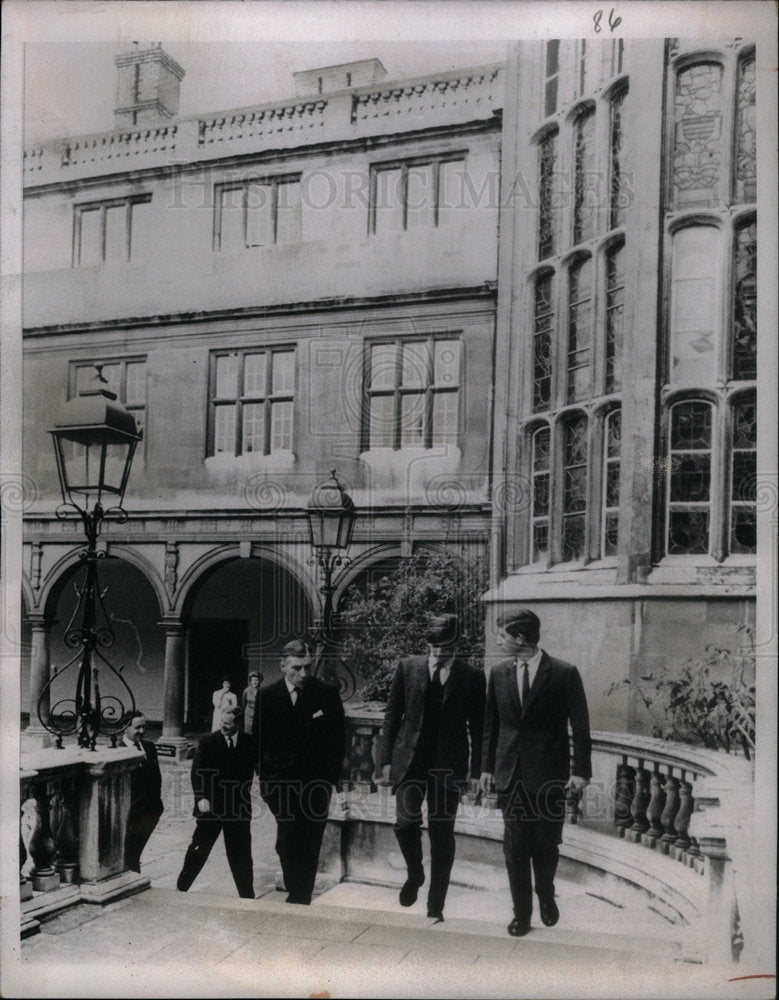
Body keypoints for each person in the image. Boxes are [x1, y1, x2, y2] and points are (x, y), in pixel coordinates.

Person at [480, 608, 591, 938]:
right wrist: (485, 768)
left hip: (549, 776)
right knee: (514, 849)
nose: (498, 641)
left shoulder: (563, 673)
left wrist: (580, 771)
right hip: (510, 776)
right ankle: (521, 915)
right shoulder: (498, 673)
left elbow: (581, 726)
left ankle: (545, 892)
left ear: (520, 639)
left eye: (502, 636)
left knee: (546, 845)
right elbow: (491, 726)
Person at [379, 614, 485, 922]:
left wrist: (476, 772)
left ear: (457, 644)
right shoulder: (407, 667)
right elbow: (391, 716)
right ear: (428, 643)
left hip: (448, 767)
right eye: (434, 645)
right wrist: (384, 761)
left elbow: (479, 729)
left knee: (441, 834)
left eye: (446, 646)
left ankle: (435, 904)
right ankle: (415, 874)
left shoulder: (472, 676)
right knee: (404, 822)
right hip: (410, 763)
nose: (440, 652)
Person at [256, 639, 345, 905]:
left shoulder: (326, 694)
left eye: (307, 667)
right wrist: (264, 777)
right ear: (283, 665)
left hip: (315, 784)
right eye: (297, 668)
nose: (303, 674)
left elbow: (337, 740)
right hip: (280, 784)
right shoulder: (267, 696)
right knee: (287, 839)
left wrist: (330, 780)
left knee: (311, 839)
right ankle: (297, 888)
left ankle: (300, 896)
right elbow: (258, 741)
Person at [176, 705, 257, 898]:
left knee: (241, 855)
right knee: (198, 850)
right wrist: (200, 797)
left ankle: (248, 896)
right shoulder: (208, 741)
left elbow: (263, 767)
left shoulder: (250, 743)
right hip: (211, 807)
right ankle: (181, 888)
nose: (223, 726)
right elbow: (197, 772)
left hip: (238, 808)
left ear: (238, 724)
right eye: (221, 722)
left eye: (227, 724)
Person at [122, 710, 164, 873]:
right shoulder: (118, 751)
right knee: (130, 853)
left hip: (150, 812)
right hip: (130, 814)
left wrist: (156, 806)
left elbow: (156, 778)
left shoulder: (149, 747)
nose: (142, 731)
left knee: (135, 851)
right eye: (137, 727)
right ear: (125, 727)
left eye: (143, 727)